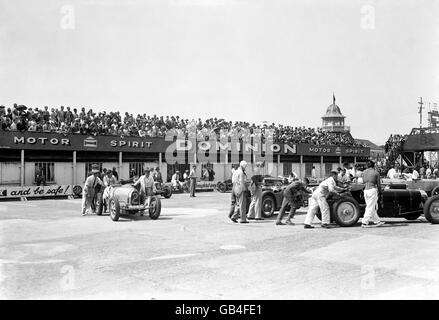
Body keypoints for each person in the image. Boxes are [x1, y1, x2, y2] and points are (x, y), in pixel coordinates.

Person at [361, 160, 385, 228]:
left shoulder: (363, 172)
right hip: (372, 190)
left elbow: (363, 181)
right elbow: (378, 184)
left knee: (371, 207)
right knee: (370, 207)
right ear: (373, 165)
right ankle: (364, 222)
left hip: (366, 190)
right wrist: (380, 192)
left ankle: (377, 221)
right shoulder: (376, 173)